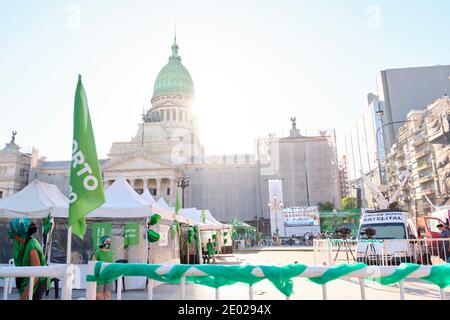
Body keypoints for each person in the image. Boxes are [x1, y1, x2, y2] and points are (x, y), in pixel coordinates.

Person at [9, 218, 49, 300]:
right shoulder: (18, 242)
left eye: (14, 230)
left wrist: (25, 294)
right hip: (25, 280)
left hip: (37, 282)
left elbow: (36, 273)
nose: (12, 232)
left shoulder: (32, 245)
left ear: (20, 232)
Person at [92, 235, 114, 300]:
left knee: (107, 295)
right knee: (99, 295)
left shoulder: (111, 252)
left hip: (109, 276)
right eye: (107, 241)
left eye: (110, 241)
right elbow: (93, 263)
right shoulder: (98, 252)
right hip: (100, 276)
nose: (108, 243)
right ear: (102, 242)